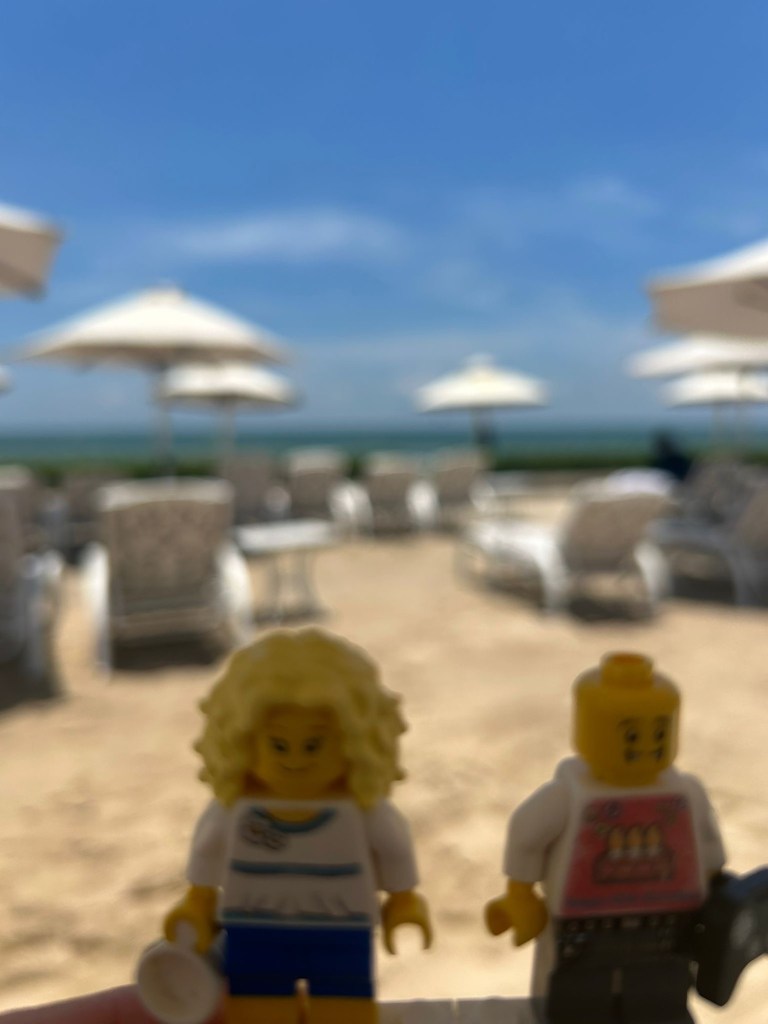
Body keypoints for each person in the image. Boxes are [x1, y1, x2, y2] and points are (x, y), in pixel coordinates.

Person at [158, 628, 432, 1024]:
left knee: (343, 1007)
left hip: (341, 930)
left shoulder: (364, 814)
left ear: (356, 742)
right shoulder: (234, 813)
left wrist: (404, 901)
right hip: (255, 930)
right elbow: (206, 857)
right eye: (278, 745)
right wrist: (198, 904)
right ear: (241, 742)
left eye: (315, 745)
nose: (296, 761)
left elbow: (394, 849)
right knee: (259, 1007)